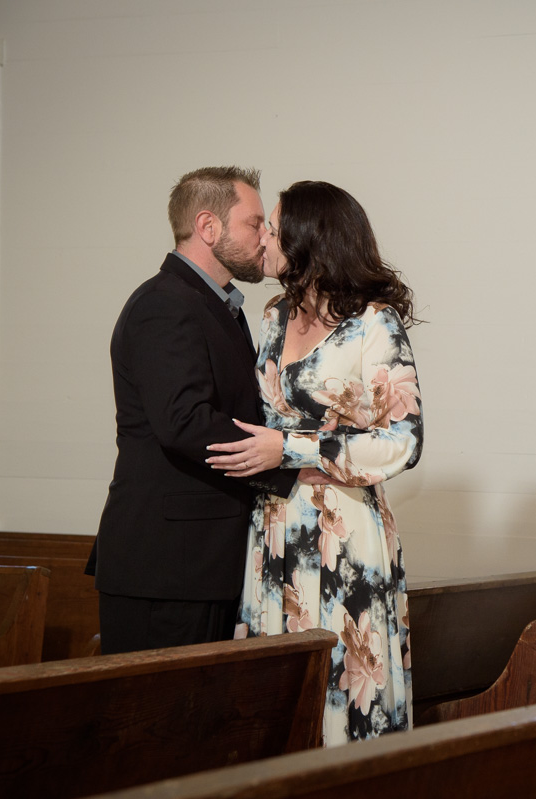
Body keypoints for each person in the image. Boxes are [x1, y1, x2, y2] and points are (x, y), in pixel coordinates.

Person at [205, 181, 422, 745]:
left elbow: (404, 442)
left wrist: (294, 449)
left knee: (342, 692)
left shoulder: (374, 325)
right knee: (276, 701)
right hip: (274, 526)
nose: (263, 238)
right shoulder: (274, 317)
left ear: (308, 240)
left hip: (343, 531)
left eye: (273, 228)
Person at [87, 166, 297, 655]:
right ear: (208, 227)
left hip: (200, 562)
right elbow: (183, 422)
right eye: (254, 223)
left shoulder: (217, 304)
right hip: (166, 565)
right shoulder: (164, 303)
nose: (265, 236)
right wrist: (286, 461)